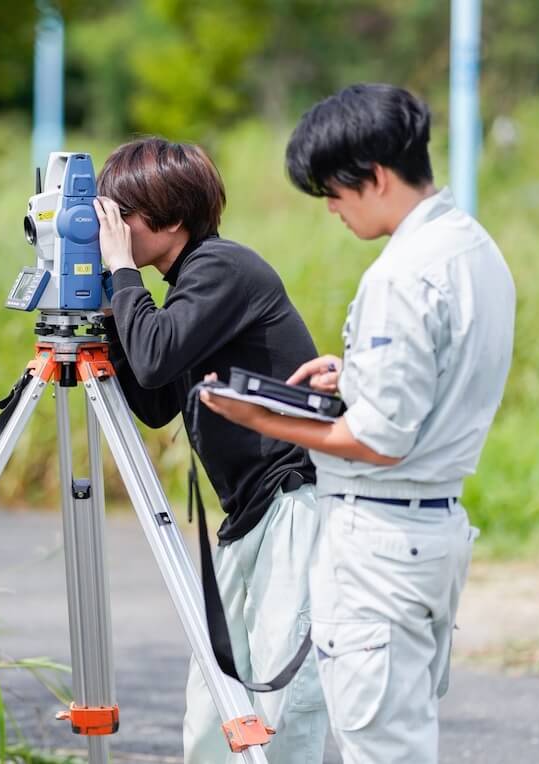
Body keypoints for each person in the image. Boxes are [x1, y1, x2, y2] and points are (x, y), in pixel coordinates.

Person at [201, 83, 515, 763]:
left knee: (380, 748)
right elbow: (447, 373)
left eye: (333, 193)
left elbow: (376, 439)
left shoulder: (399, 276)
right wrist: (359, 377)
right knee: (404, 737)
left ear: (372, 177)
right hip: (434, 533)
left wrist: (259, 416)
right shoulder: (473, 249)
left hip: (379, 543)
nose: (333, 211)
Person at [93, 137, 328, 764]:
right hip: (249, 515)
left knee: (282, 702)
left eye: (120, 215)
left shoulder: (222, 268)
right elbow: (154, 399)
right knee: (213, 703)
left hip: (294, 506)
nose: (109, 230)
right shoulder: (185, 287)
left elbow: (156, 354)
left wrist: (119, 275)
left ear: (169, 219)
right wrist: (111, 309)